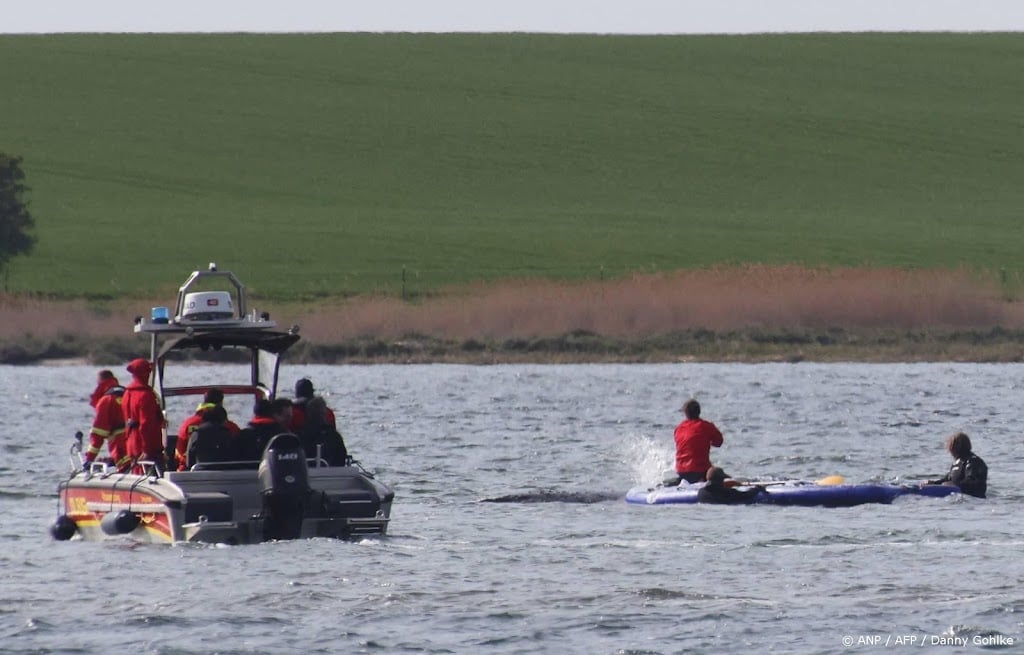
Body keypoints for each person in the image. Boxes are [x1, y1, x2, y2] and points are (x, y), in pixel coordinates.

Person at [174, 388, 241, 471]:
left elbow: (179, 452)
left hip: (190, 473)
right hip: (224, 473)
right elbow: (238, 450)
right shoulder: (230, 426)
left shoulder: (187, 424)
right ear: (221, 403)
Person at [122, 358, 166, 472]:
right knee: (151, 477)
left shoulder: (127, 393)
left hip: (132, 443)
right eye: (148, 371)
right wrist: (146, 450)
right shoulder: (145, 395)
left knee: (136, 476)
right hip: (146, 446)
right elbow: (145, 424)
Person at [83, 371, 130, 471]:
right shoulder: (128, 394)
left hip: (122, 451)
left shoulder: (106, 400)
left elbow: (98, 435)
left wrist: (89, 459)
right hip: (137, 451)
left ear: (100, 383)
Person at [674, 399, 724, 484]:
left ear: (686, 414)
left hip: (681, 471)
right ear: (699, 412)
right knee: (719, 475)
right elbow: (719, 442)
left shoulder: (679, 428)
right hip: (700, 471)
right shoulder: (706, 426)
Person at [926, 432, 988, 498]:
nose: (949, 449)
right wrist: (933, 484)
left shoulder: (973, 461)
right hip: (956, 497)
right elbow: (947, 479)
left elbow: (972, 481)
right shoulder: (957, 463)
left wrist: (955, 485)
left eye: (951, 446)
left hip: (972, 500)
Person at [235, 398, 294, 462]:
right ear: (274, 414)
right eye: (287, 416)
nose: (289, 420)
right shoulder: (284, 435)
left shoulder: (242, 434)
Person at [297, 395, 348, 466]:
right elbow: (341, 458)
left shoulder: (300, 435)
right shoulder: (334, 436)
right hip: (333, 473)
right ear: (325, 413)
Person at [697, 466, 766, 504]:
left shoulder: (701, 492)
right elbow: (746, 495)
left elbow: (714, 487)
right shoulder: (727, 492)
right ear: (721, 479)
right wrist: (758, 488)